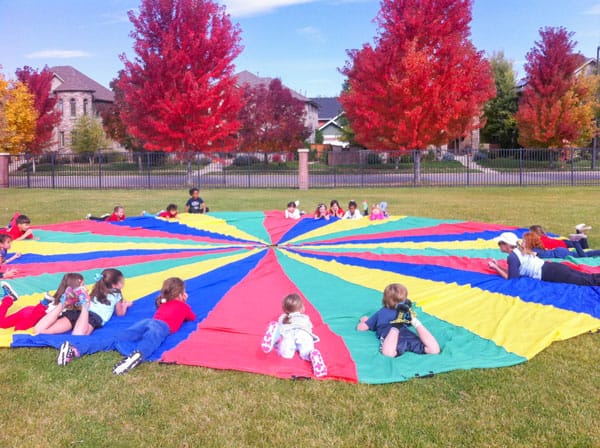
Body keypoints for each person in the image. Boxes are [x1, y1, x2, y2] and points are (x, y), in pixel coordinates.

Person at [57, 277, 196, 373]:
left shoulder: (162, 303)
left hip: (146, 322)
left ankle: (74, 349)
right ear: (180, 294)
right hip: (162, 326)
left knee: (117, 338)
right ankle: (138, 355)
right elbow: (191, 317)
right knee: (152, 339)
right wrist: (185, 302)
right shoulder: (183, 306)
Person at [356, 283, 440, 357]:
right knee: (434, 350)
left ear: (385, 300)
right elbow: (408, 324)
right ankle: (415, 322)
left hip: (390, 336)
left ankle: (396, 327)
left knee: (388, 353)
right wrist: (411, 320)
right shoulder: (405, 313)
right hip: (407, 334)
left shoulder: (381, 312)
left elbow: (361, 328)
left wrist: (363, 321)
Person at [487, 232, 600, 285]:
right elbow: (513, 272)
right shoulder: (519, 250)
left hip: (551, 273)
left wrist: (496, 267)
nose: (499, 246)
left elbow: (511, 279)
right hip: (554, 268)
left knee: (588, 280)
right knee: (587, 277)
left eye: (500, 243)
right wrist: (498, 266)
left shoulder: (513, 257)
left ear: (506, 245)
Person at [261, 293, 327, 378]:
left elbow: (284, 324)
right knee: (306, 351)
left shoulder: (282, 318)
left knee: (286, 354)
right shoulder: (305, 318)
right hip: (303, 333)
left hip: (288, 332)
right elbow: (309, 327)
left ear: (284, 309)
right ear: (302, 308)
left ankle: (276, 336)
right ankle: (311, 354)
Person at [522, 232, 600, 258]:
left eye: (524, 241)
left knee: (583, 256)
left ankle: (575, 241)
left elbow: (528, 253)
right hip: (559, 251)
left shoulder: (534, 250)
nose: (523, 242)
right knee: (581, 254)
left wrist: (522, 248)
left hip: (559, 253)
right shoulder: (537, 247)